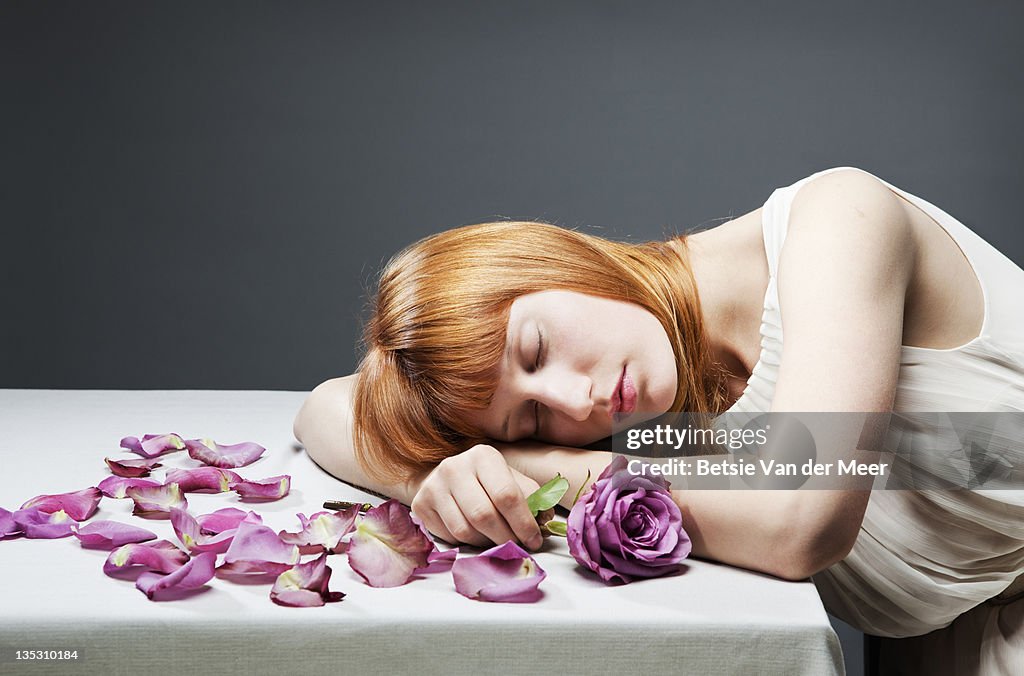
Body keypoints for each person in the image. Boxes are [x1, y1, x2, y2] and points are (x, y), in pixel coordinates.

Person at [293, 166, 1024, 675]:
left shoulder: (840, 219)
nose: (576, 403)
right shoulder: (657, 427)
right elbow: (324, 408)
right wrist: (438, 474)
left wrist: (521, 465)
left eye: (537, 346)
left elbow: (799, 519)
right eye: (531, 417)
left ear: (556, 260)